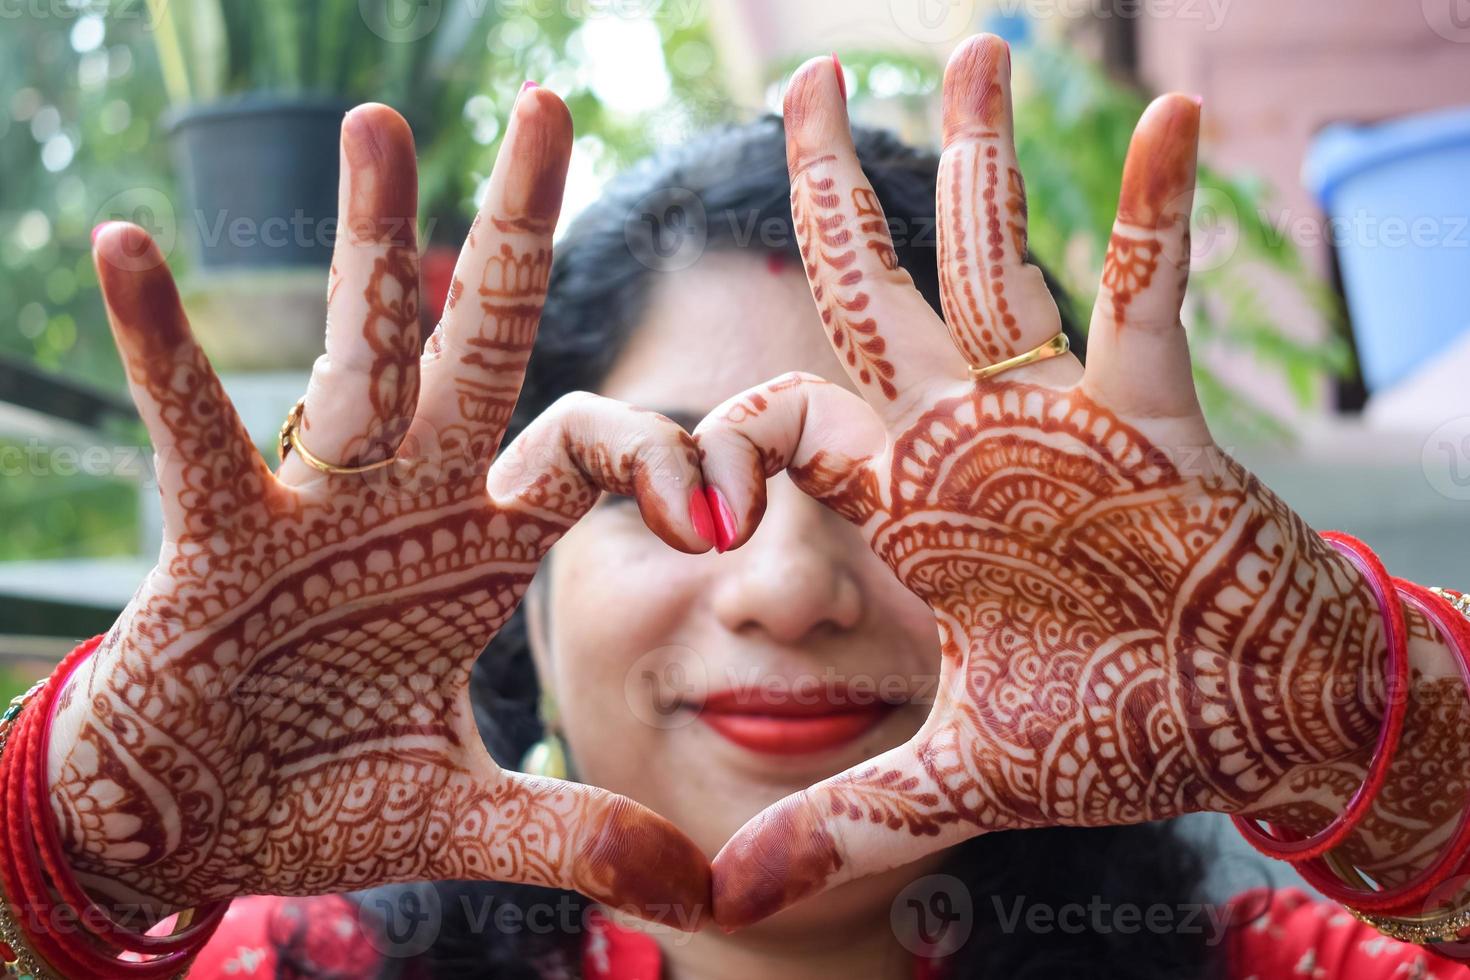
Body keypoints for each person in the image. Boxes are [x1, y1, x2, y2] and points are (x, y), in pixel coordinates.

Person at [8, 34, 1469, 980]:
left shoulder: (1284, 962)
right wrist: (70, 836)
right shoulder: (292, 964)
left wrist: (1377, 710)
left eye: (892, 494)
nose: (786, 590)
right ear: (513, 579)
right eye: (664, 478)